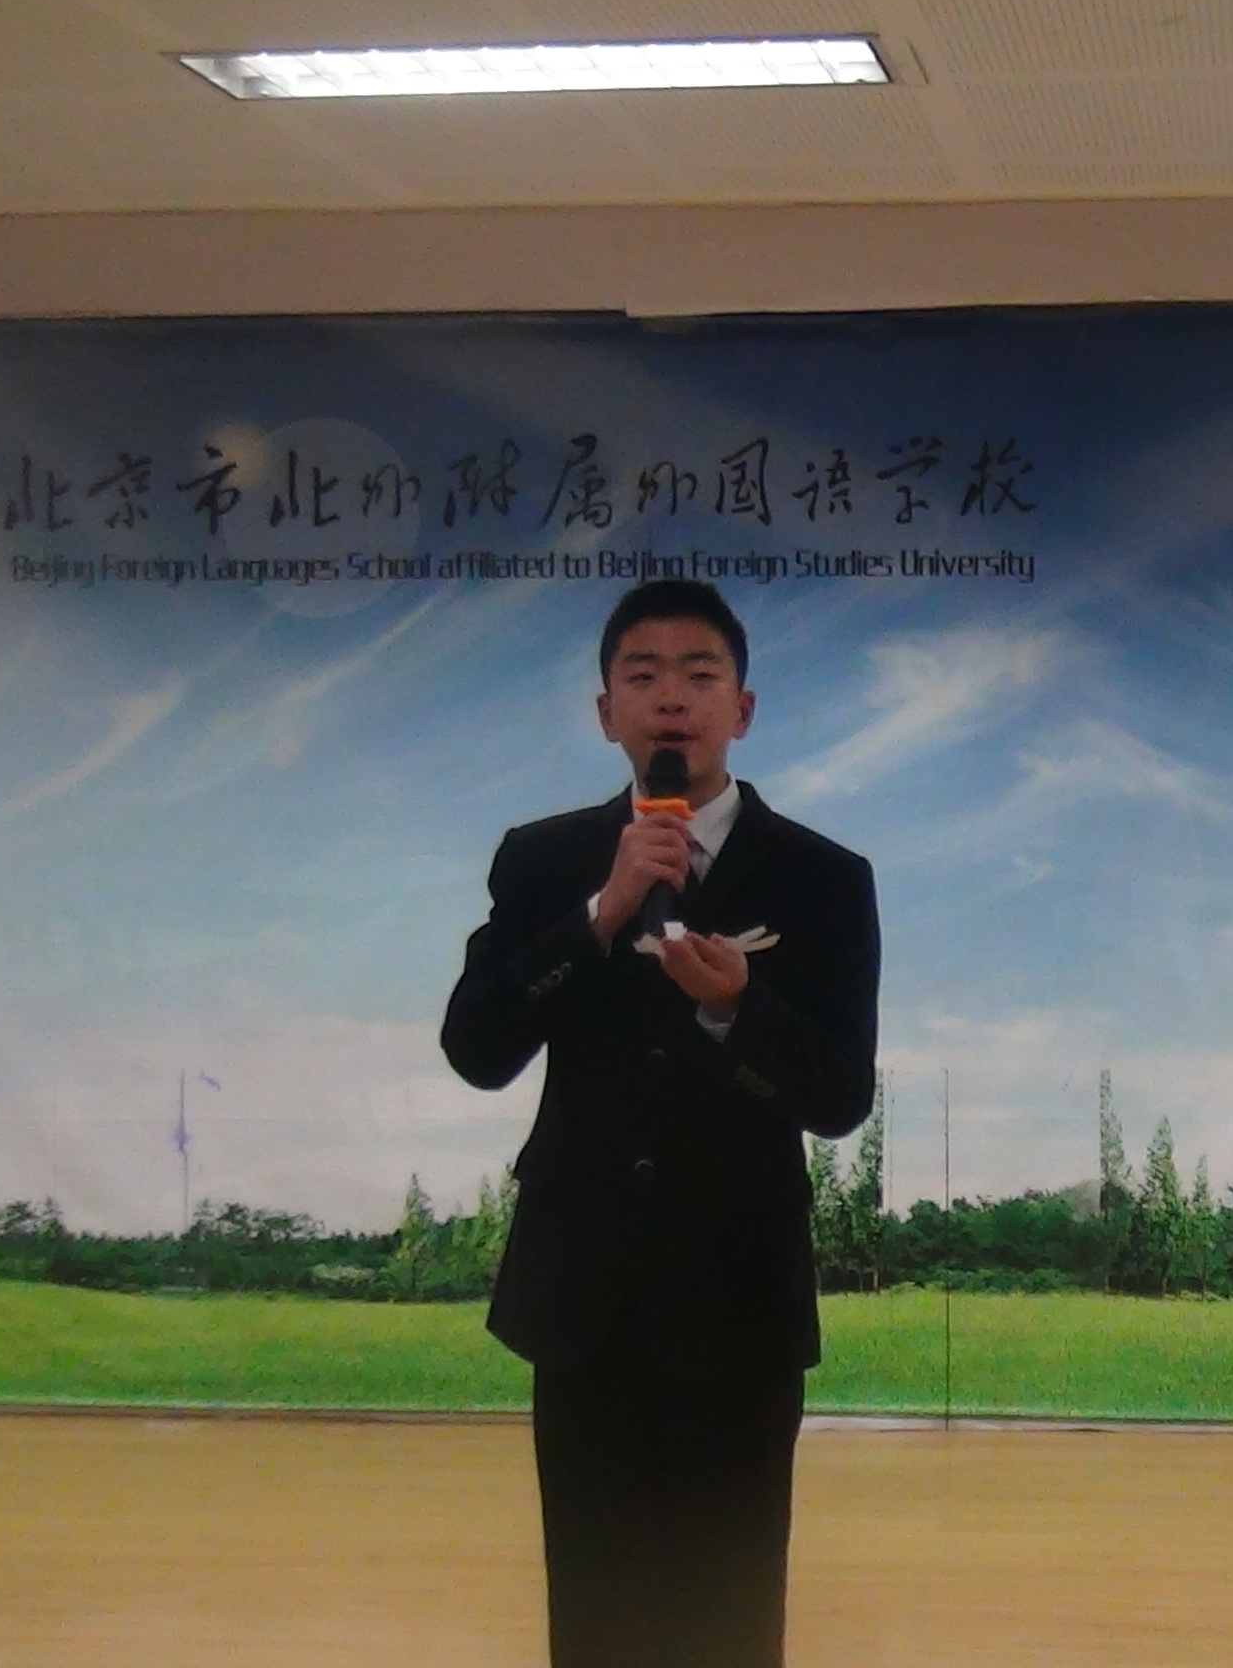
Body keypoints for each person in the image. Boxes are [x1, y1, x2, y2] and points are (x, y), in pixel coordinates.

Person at [441, 579, 881, 1668]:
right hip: (581, 1294)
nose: (671, 699)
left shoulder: (824, 877)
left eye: (698, 675)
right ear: (608, 714)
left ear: (743, 709)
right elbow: (478, 1047)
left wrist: (738, 1010)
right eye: (643, 677)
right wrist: (599, 916)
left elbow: (839, 1097)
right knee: (596, 1611)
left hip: (738, 1294)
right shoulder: (544, 859)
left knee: (730, 1610)